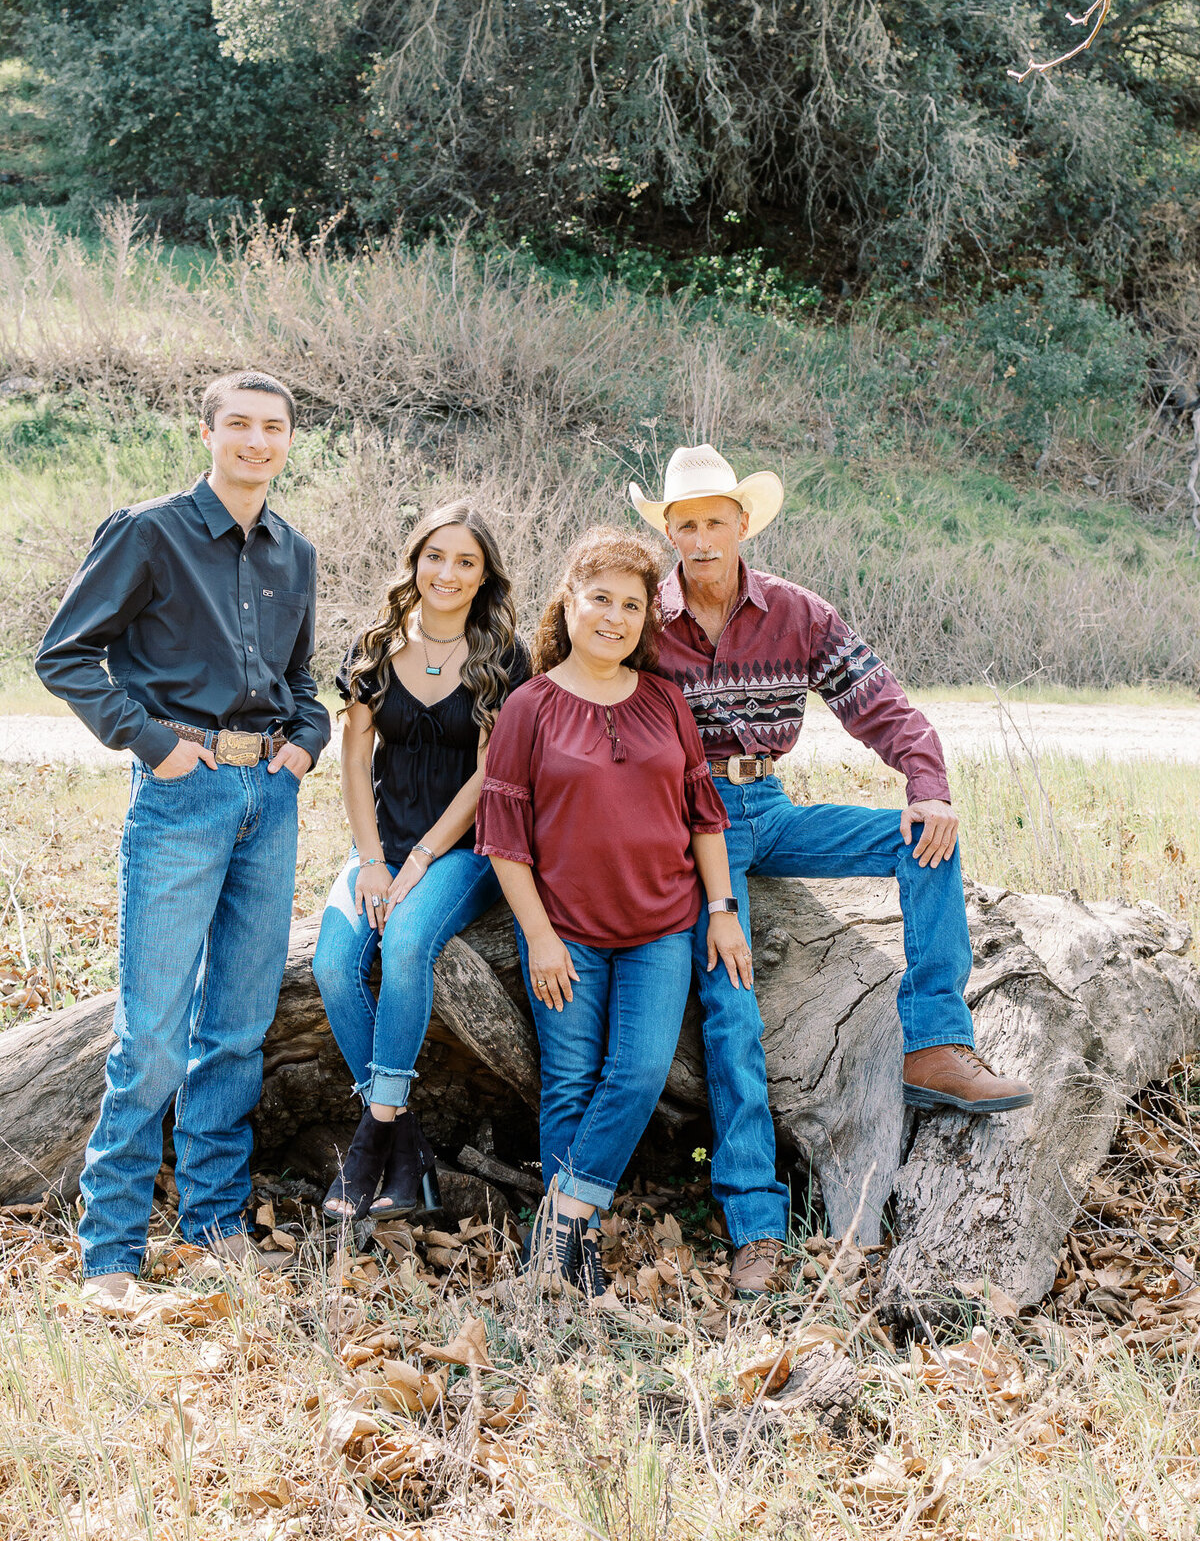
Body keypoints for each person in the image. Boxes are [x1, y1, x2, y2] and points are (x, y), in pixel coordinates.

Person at [629, 444, 1034, 1299]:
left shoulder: (798, 614)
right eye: (686, 524)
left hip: (770, 808)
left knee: (924, 835)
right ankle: (755, 1220)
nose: (702, 537)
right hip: (689, 830)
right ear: (669, 532)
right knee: (731, 1008)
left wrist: (929, 783)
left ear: (743, 524)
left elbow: (883, 706)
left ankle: (933, 1041)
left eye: (716, 520)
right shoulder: (645, 623)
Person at [35, 370, 331, 1303]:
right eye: (238, 424)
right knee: (154, 1032)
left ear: (289, 440)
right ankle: (112, 1251)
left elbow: (303, 683)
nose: (256, 440)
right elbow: (64, 655)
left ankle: (212, 1222)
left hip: (269, 800)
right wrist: (154, 743)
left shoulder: (297, 553)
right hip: (182, 793)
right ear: (206, 432)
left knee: (238, 1029)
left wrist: (307, 745)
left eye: (272, 427)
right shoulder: (148, 531)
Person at [476, 526, 753, 1293]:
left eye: (632, 605)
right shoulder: (528, 708)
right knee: (569, 1081)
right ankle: (577, 1251)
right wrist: (538, 937)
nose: (615, 616)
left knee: (636, 1071)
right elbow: (504, 840)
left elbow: (704, 815)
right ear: (569, 601)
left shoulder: (664, 701)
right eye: (600, 598)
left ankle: (558, 1220)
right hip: (565, 933)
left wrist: (723, 908)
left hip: (661, 926)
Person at [311, 503, 530, 1221]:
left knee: (406, 944)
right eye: (436, 555)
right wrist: (373, 860)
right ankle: (405, 1144)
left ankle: (370, 1142)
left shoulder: (504, 657)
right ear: (415, 560)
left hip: (465, 851)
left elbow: (487, 776)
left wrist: (422, 859)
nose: (448, 572)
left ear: (484, 576)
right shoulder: (374, 645)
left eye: (466, 561)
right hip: (380, 848)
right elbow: (351, 760)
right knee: (333, 965)